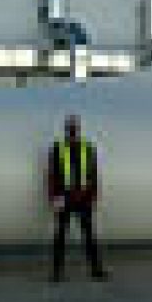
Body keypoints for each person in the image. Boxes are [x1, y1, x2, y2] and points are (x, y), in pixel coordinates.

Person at [48, 114, 109, 281]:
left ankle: (97, 271)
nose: (72, 130)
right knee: (60, 237)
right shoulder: (57, 148)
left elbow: (94, 172)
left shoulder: (88, 147)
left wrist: (93, 196)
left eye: (74, 127)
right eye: (70, 127)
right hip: (64, 198)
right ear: (66, 129)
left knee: (89, 236)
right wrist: (54, 198)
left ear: (78, 129)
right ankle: (57, 273)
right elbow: (52, 174)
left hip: (83, 198)